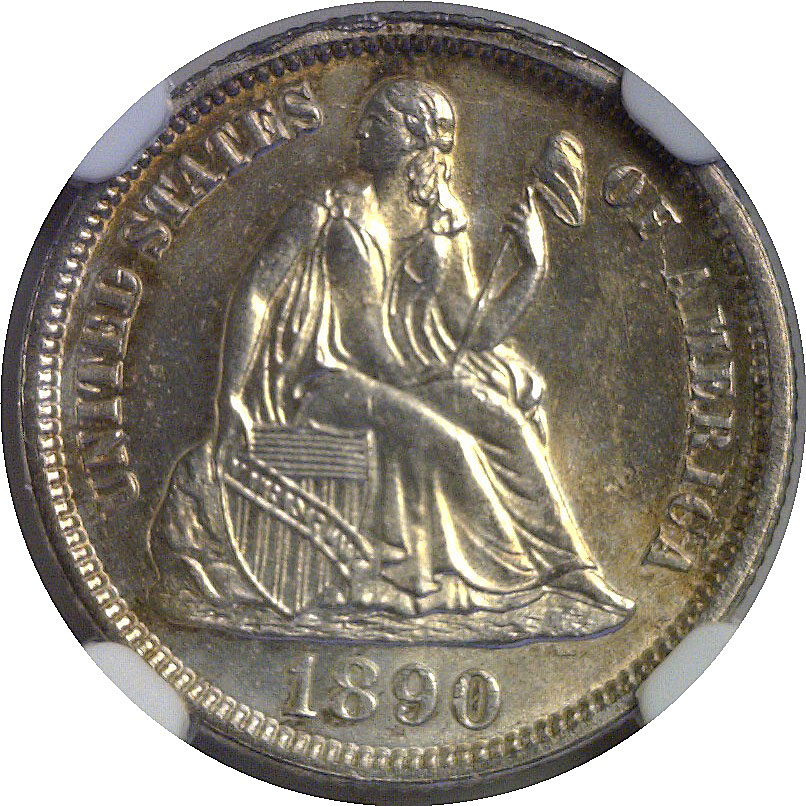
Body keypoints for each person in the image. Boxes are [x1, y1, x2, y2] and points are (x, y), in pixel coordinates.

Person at [148, 78, 634, 627]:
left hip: (415, 374)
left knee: (507, 424)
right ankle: (514, 583)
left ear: (411, 136)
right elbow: (257, 292)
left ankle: (572, 570)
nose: (361, 130)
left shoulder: (444, 222)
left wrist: (531, 268)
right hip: (326, 381)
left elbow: (473, 332)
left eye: (377, 121)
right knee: (448, 442)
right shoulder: (325, 211)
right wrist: (231, 395)